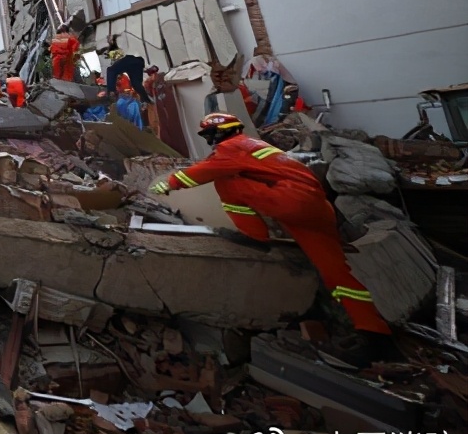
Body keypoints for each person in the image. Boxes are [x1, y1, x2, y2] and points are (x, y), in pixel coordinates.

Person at [150, 113, 390, 337]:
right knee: (335, 270)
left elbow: (207, 170)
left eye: (209, 134)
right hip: (317, 207)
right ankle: (371, 328)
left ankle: (255, 235)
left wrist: (169, 183)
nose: (209, 139)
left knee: (226, 182)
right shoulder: (258, 146)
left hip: (289, 200)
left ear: (221, 132)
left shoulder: (232, 147)